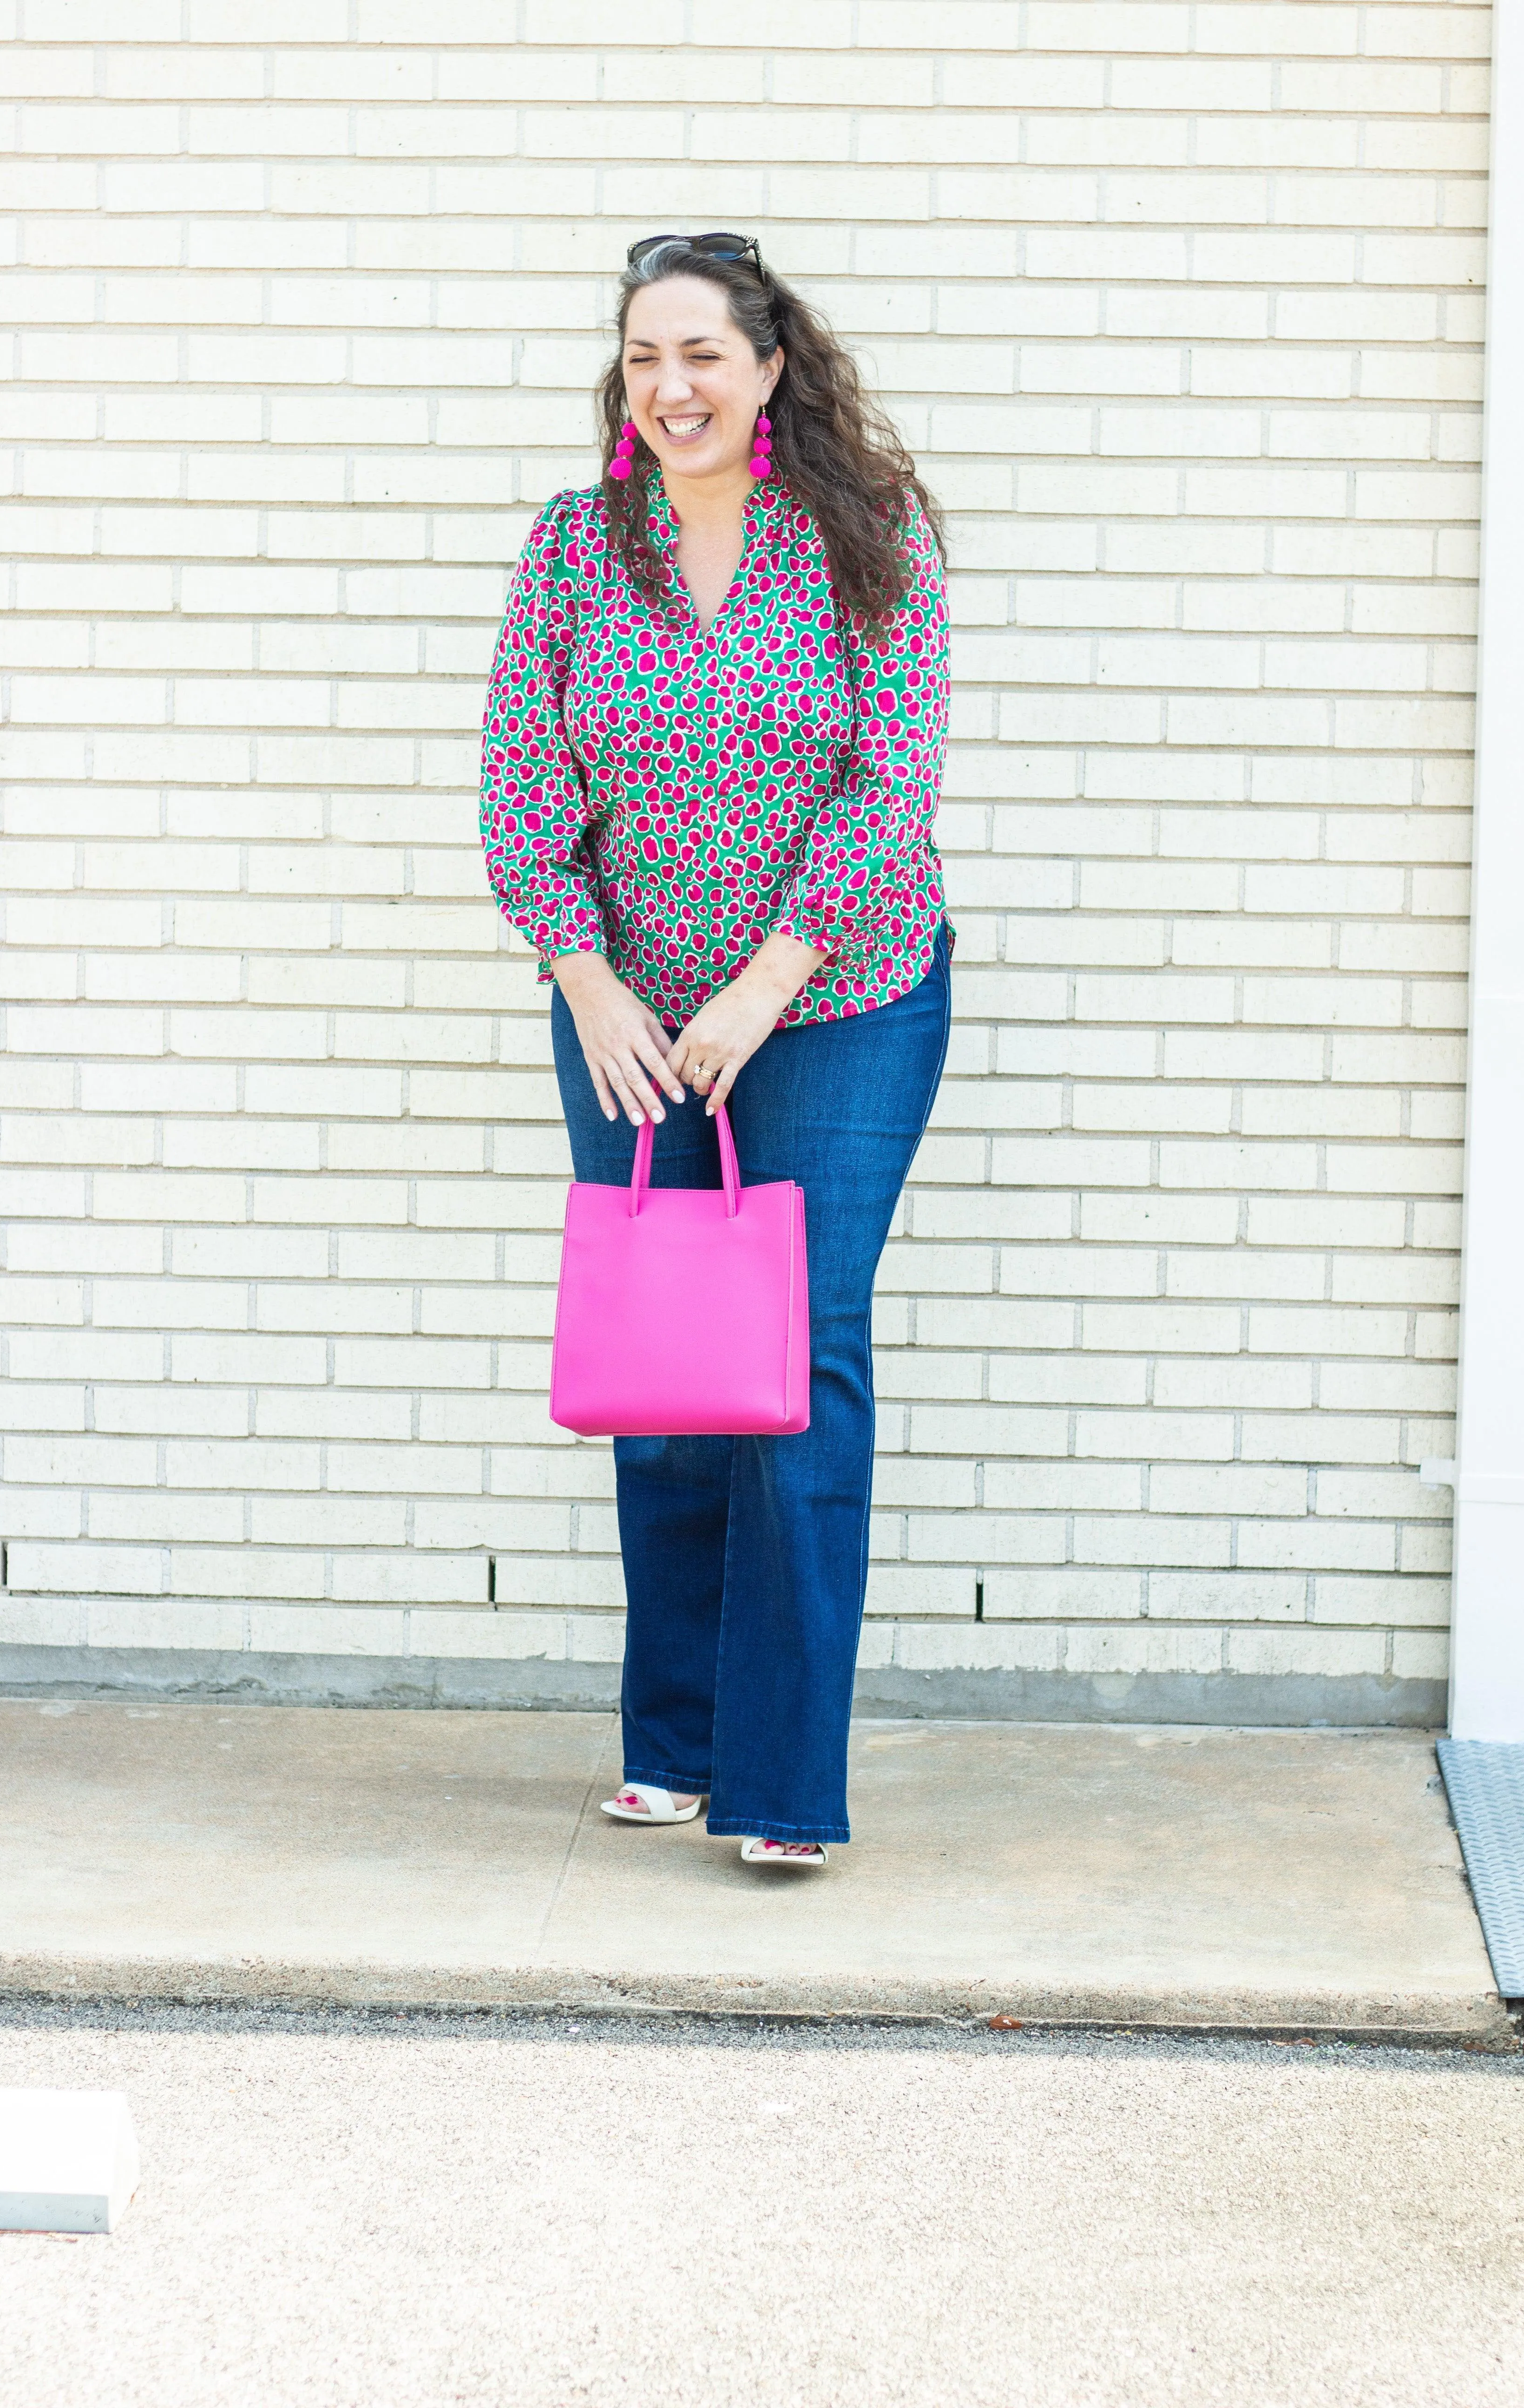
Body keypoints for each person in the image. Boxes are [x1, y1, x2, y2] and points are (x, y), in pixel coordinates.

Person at [479, 232, 952, 1871]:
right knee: (667, 1378)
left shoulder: (871, 538)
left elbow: (888, 792)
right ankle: (671, 1741)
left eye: (700, 355)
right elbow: (525, 786)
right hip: (623, 1016)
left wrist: (760, 990)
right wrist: (583, 974)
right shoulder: (569, 552)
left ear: (769, 368)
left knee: (796, 1364)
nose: (668, 388)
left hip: (839, 1006)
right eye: (641, 361)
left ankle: (780, 1786)